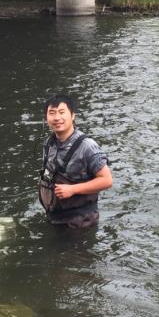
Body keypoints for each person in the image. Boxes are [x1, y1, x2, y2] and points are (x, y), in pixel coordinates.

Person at [38, 94, 112, 229]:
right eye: (52, 113)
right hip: (54, 216)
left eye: (62, 112)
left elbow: (107, 180)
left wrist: (73, 189)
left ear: (72, 116)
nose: (57, 118)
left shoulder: (87, 146)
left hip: (80, 223)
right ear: (46, 117)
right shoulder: (50, 142)